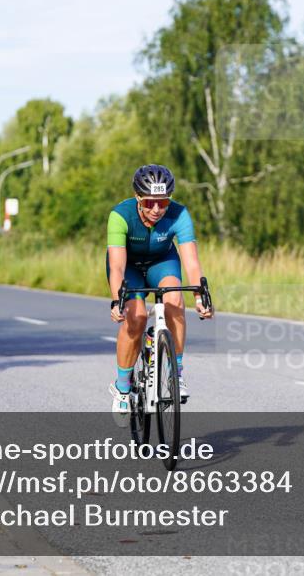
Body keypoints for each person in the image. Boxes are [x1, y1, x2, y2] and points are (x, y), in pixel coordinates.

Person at [107, 164, 213, 425]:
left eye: (163, 202)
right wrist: (117, 299)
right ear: (138, 198)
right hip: (129, 266)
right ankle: (122, 388)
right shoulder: (120, 215)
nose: (157, 209)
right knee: (137, 315)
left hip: (162, 262)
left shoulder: (180, 215)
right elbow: (118, 265)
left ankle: (175, 373)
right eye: (150, 202)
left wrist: (200, 297)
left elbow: (191, 262)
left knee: (175, 300)